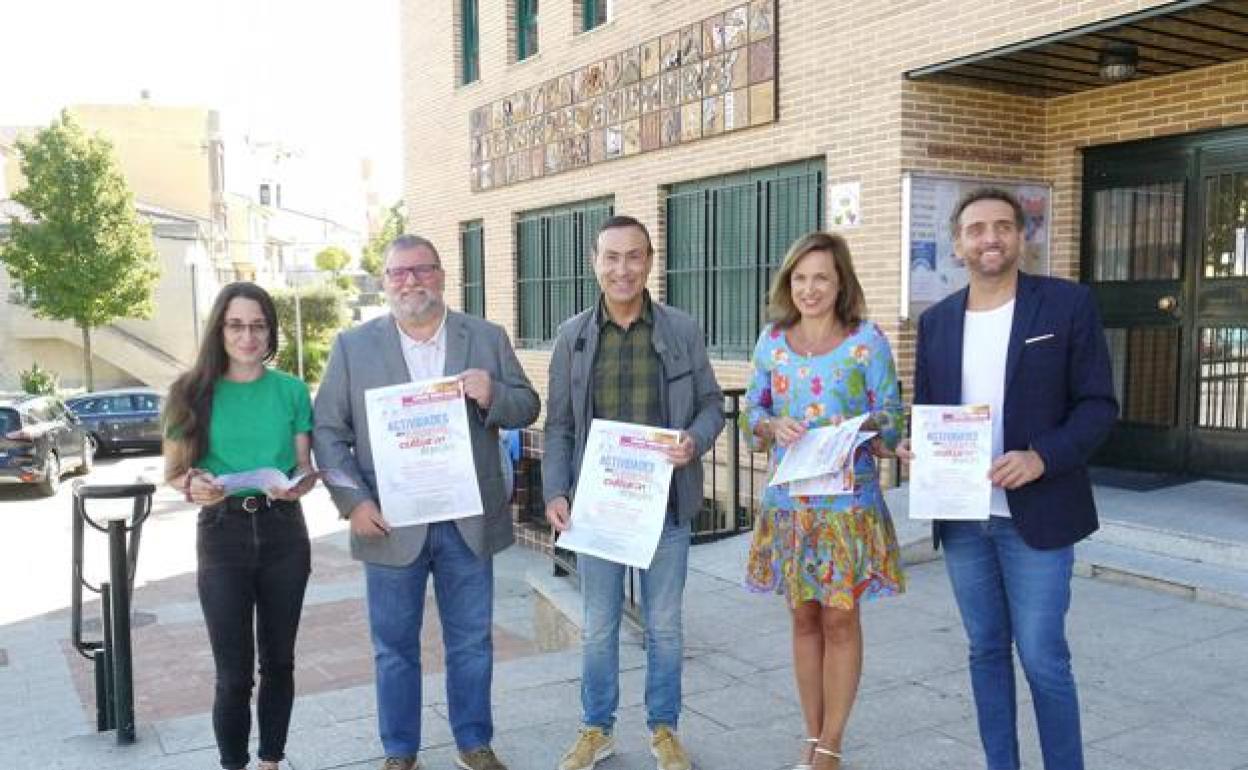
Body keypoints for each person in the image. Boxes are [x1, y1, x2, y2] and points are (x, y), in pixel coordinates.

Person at [899, 188, 1118, 770]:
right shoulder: (938, 321)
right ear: (957, 244)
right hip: (964, 519)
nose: (989, 238)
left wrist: (1042, 457)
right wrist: (917, 447)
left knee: (1044, 658)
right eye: (975, 229)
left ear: (1022, 236)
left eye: (1002, 226)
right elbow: (929, 410)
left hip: (1039, 514)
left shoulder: (1067, 305)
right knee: (985, 651)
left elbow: (1098, 405)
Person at [313, 234, 540, 770]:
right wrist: (353, 502)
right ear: (385, 282)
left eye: (421, 269)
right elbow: (327, 433)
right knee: (393, 647)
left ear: (441, 275)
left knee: (472, 642)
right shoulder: (352, 347)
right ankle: (400, 751)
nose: (410, 281)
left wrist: (494, 393)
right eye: (398, 272)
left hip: (466, 521)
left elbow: (528, 406)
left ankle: (474, 742)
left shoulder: (485, 337)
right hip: (390, 522)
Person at [543, 215, 724, 770]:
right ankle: (596, 729)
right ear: (595, 262)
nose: (622, 269)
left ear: (650, 261)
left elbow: (711, 405)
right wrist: (555, 491)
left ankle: (664, 729)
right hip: (598, 510)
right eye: (611, 257)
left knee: (664, 627)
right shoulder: (572, 336)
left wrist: (694, 441)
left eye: (634, 256)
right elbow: (559, 426)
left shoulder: (681, 330)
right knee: (599, 629)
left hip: (664, 507)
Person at [739, 232, 905, 770]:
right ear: (788, 282)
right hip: (790, 506)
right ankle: (811, 736)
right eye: (800, 278)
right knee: (803, 620)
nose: (809, 289)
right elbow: (750, 413)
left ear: (841, 283)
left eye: (822, 279)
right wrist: (770, 424)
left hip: (846, 506)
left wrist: (858, 429)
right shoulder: (772, 342)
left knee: (840, 621)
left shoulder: (866, 341)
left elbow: (891, 417)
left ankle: (831, 744)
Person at [163, 282, 317, 770]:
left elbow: (303, 467)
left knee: (279, 662)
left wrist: (298, 485)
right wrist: (194, 484)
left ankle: (271, 761)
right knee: (233, 675)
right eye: (236, 325)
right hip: (222, 533)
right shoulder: (190, 392)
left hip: (283, 531)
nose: (247, 336)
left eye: (258, 326)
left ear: (270, 331)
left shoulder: (292, 390)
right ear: (219, 329)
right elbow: (174, 473)